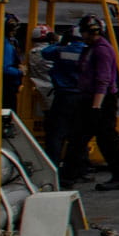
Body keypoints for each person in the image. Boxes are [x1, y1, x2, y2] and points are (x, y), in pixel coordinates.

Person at [62, 14, 119, 190]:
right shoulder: (91, 48)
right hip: (92, 99)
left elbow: (103, 79)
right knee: (80, 139)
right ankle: (69, 176)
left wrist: (96, 105)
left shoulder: (102, 50)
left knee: (104, 139)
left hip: (100, 101)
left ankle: (118, 175)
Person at [40, 26, 88, 174]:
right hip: (82, 97)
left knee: (56, 134)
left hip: (63, 96)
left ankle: (52, 167)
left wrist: (61, 42)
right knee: (79, 135)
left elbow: (45, 52)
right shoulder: (89, 51)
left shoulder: (60, 51)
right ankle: (78, 169)